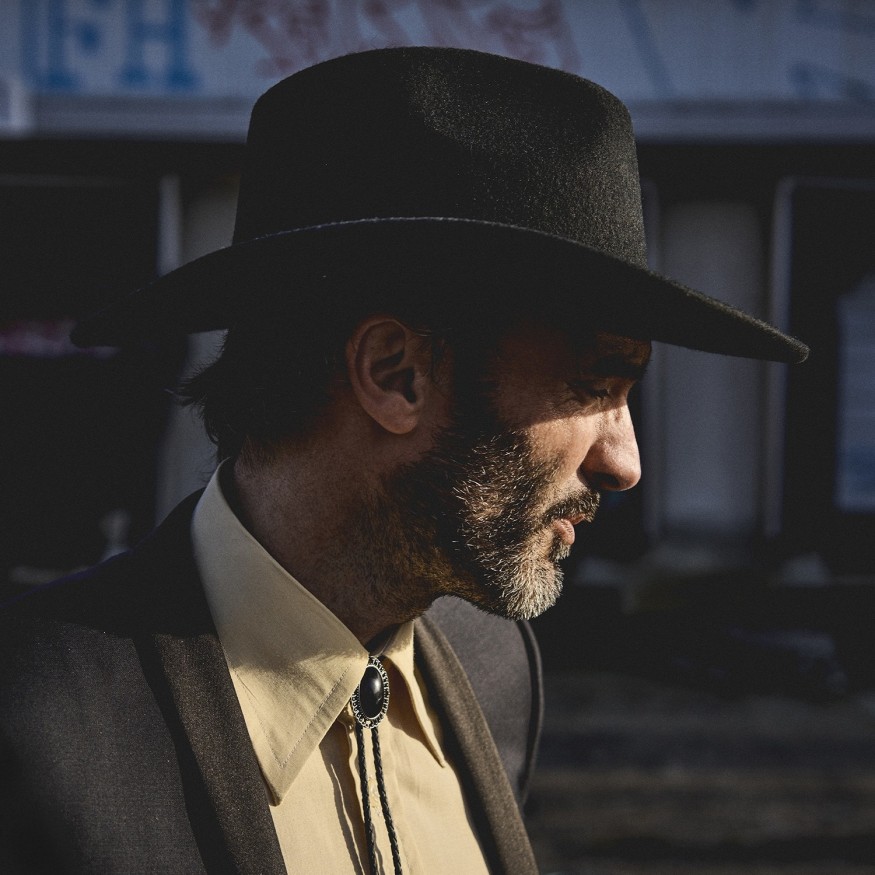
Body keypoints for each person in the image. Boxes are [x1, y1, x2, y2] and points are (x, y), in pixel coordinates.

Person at [0, 47, 807, 874]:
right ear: (396, 374)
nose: (623, 461)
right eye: (594, 384)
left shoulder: (493, 665)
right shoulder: (38, 717)